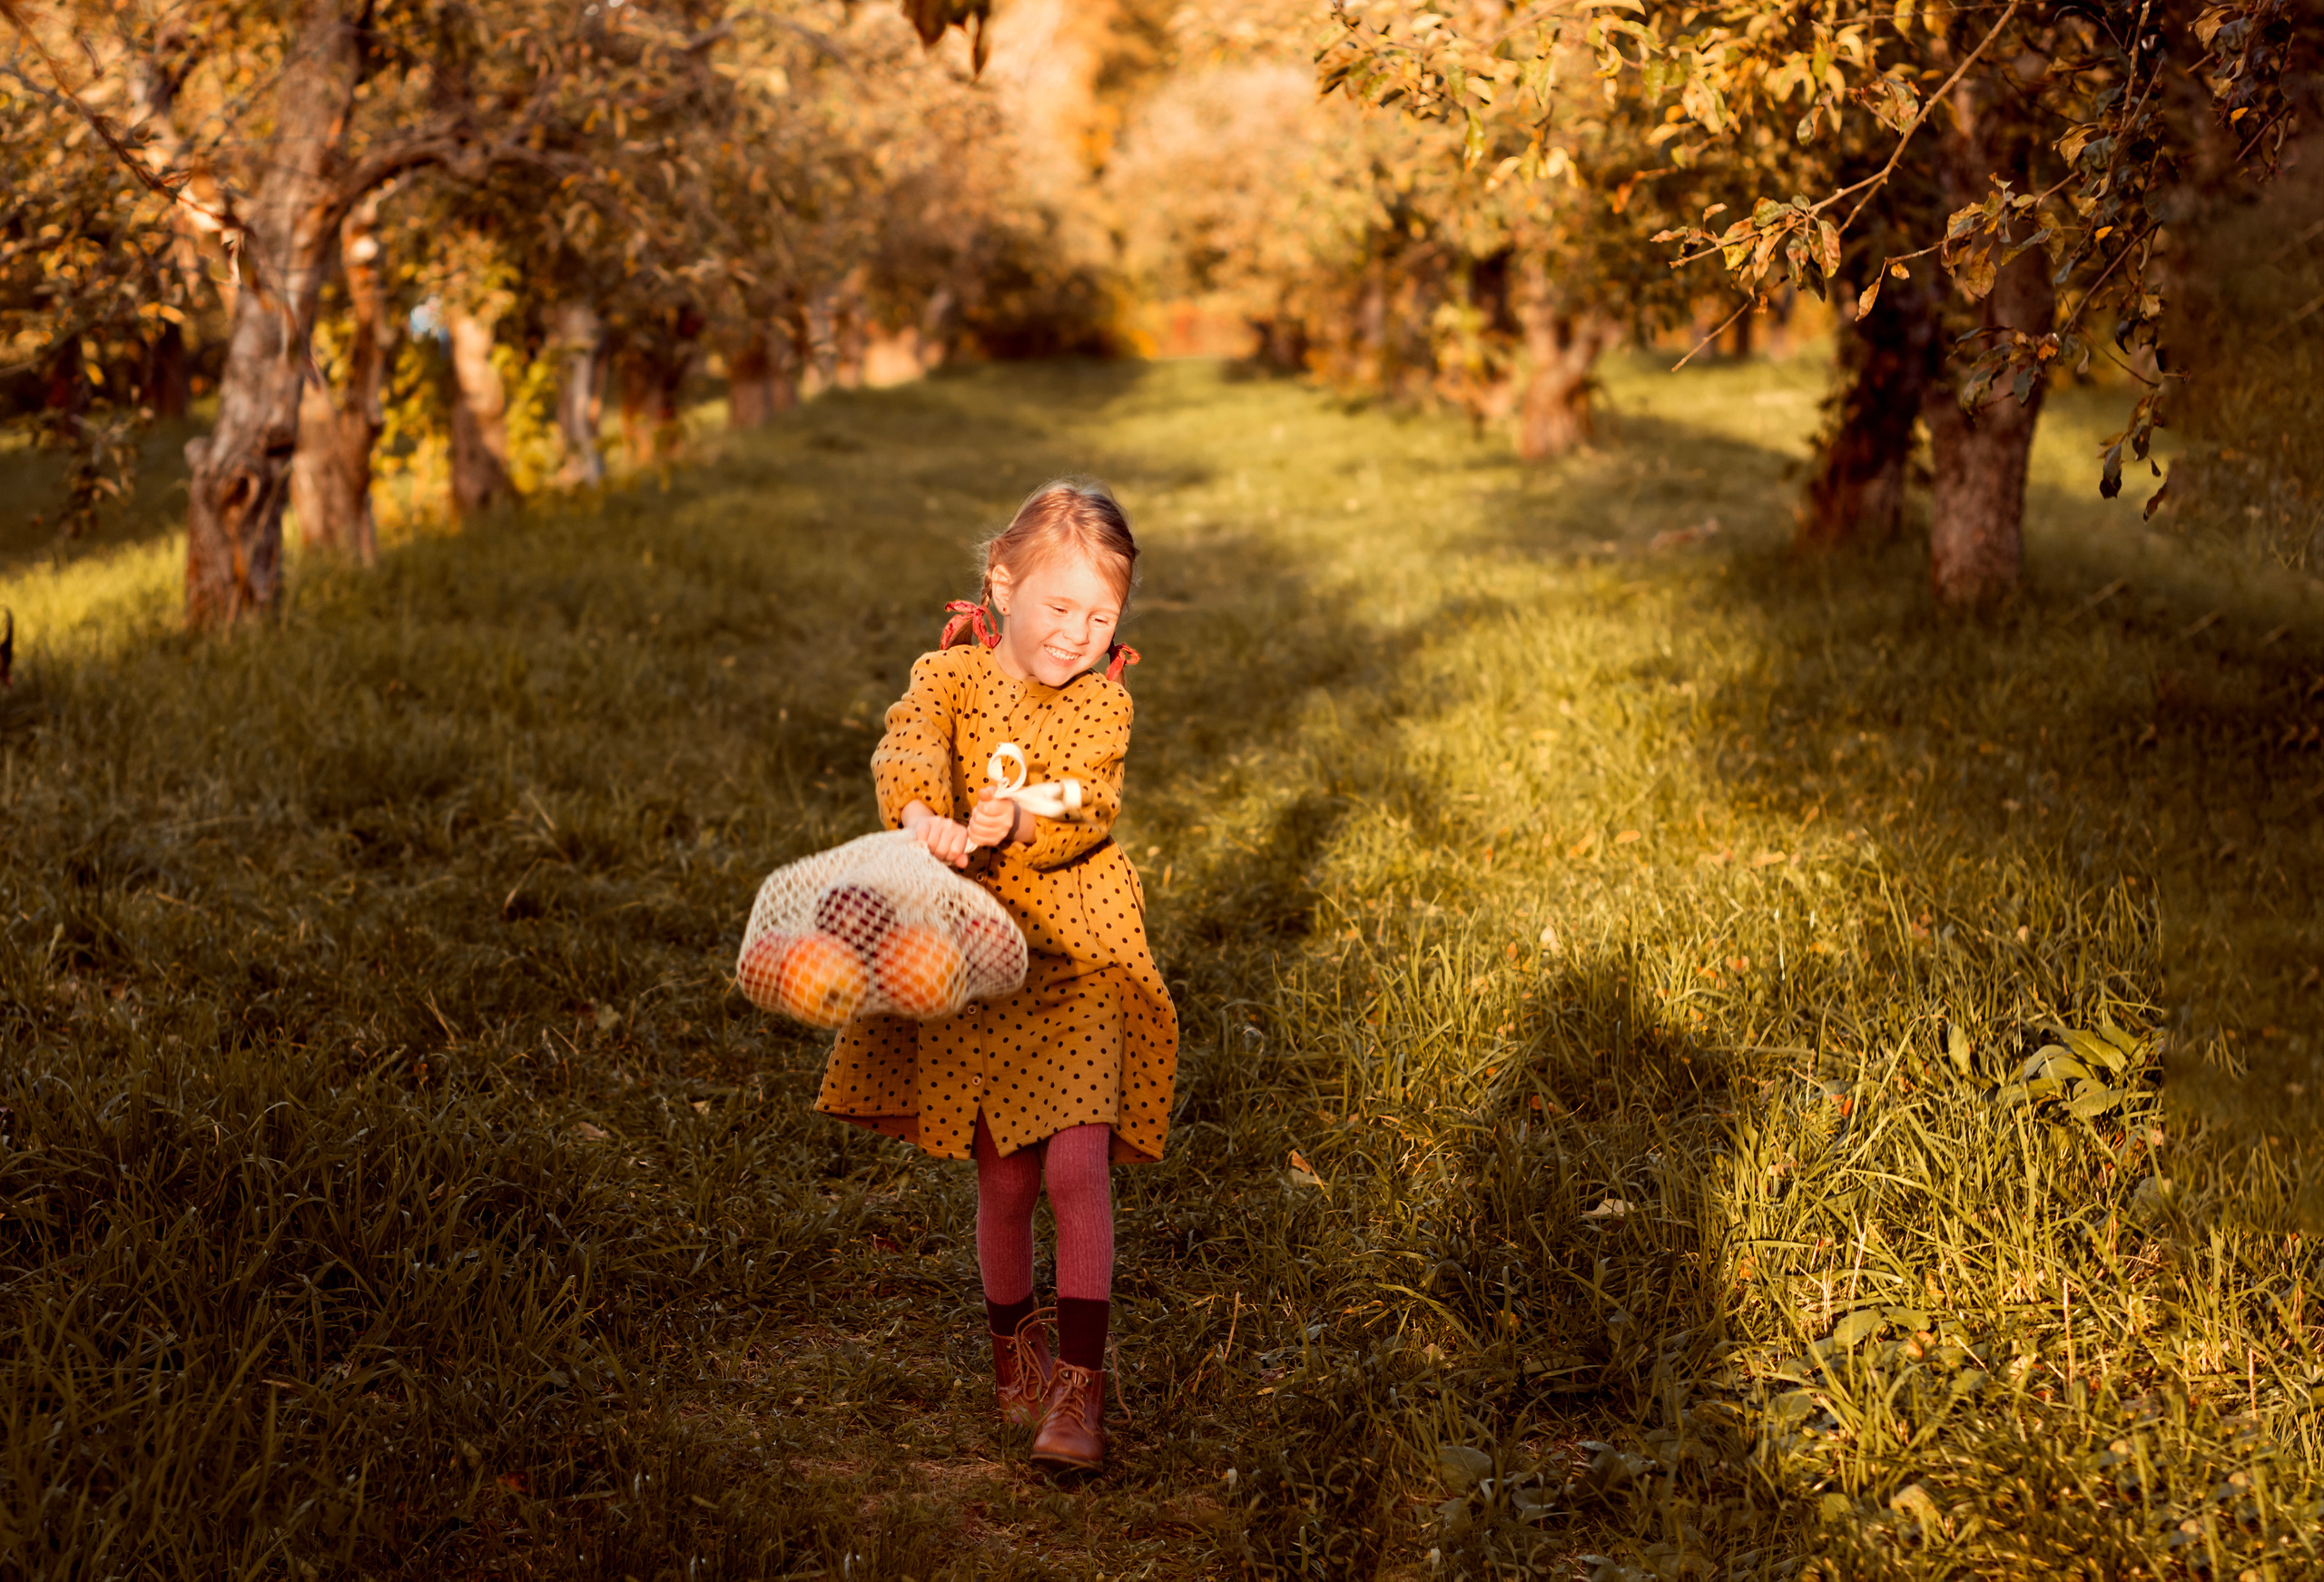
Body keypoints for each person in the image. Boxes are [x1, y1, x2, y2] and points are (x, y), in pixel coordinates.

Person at [812, 478, 1178, 1471]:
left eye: (1101, 617)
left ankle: (1080, 1390)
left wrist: (1021, 817)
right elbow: (908, 742)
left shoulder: (1103, 704)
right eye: (1059, 608)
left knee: (1073, 1165)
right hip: (982, 961)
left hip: (1079, 955)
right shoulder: (948, 679)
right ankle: (1011, 1349)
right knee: (1008, 1177)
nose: (1076, 634)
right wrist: (923, 815)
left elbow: (1086, 797)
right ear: (1002, 584)